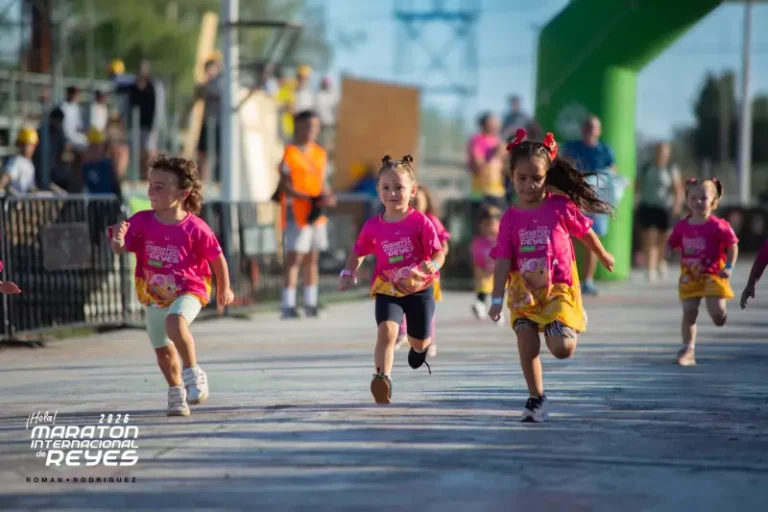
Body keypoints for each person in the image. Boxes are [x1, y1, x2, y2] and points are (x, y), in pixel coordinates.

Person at [488, 129, 615, 423]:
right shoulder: (509, 218)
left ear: (547, 176)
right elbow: (503, 259)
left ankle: (569, 322)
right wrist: (496, 298)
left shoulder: (559, 208)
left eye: (537, 178)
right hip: (524, 291)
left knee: (562, 349)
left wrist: (603, 254)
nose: (529, 185)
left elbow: (585, 232)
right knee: (527, 342)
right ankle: (536, 398)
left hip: (558, 288)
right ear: (511, 177)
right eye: (522, 178)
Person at [108, 155, 235, 416]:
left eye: (160, 187)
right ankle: (176, 393)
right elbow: (120, 249)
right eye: (150, 184)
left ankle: (193, 372)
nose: (151, 192)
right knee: (163, 350)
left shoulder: (196, 228)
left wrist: (225, 288)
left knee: (175, 323)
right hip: (154, 293)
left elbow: (217, 258)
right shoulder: (141, 221)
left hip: (190, 288)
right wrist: (118, 240)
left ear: (183, 192)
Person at [338, 155, 445, 405]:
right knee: (386, 331)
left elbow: (439, 251)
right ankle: (382, 378)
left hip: (419, 287)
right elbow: (360, 251)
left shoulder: (420, 221)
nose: (393, 193)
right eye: (386, 187)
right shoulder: (373, 226)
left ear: (412, 191)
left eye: (399, 187)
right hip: (388, 287)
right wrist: (348, 272)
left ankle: (419, 349)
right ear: (378, 190)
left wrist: (434, 263)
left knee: (419, 340)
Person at [665, 178, 738, 367]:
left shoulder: (718, 226)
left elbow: (732, 246)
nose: (698, 202)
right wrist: (667, 250)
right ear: (687, 199)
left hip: (714, 275)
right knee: (689, 312)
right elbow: (671, 242)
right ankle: (687, 349)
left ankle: (720, 316)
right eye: (693, 197)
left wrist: (729, 267)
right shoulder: (682, 226)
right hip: (690, 276)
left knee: (717, 313)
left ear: (714, 201)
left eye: (704, 198)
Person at [276, 110, 335, 319]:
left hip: (316, 213)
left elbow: (322, 181)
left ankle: (311, 302)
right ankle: (288, 304)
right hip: (297, 211)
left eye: (316, 127)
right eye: (308, 126)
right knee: (294, 259)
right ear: (298, 126)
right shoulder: (289, 152)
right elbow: (284, 185)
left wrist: (326, 195)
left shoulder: (320, 153)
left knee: (313, 257)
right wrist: (306, 197)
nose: (312, 131)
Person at [562, 116, 617, 295]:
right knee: (568, 237)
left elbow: (612, 170)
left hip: (595, 200)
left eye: (593, 127)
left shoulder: (605, 150)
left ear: (598, 131)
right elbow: (564, 165)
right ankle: (567, 278)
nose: (589, 129)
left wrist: (600, 179)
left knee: (590, 239)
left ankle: (587, 281)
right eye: (586, 126)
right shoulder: (572, 147)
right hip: (575, 198)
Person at [395, 185, 449, 353]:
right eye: (412, 201)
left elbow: (444, 246)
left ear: (427, 203)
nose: (415, 204)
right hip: (406, 272)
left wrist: (434, 263)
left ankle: (428, 340)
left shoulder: (431, 221)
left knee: (426, 309)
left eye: (419, 201)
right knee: (401, 302)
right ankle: (403, 331)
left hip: (427, 274)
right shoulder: (402, 220)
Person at [636, 142, 684, 282]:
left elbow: (677, 190)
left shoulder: (671, 169)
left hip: (665, 208)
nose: (661, 155)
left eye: (664, 152)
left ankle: (661, 261)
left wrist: (677, 205)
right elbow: (638, 185)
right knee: (650, 238)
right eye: (658, 152)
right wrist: (636, 199)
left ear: (668, 155)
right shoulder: (646, 168)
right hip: (648, 206)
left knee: (663, 239)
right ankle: (650, 270)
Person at [470, 204, 503, 324]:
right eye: (485, 225)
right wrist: (482, 270)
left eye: (491, 224)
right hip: (485, 272)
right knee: (483, 287)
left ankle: (496, 310)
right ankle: (480, 305)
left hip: (500, 272)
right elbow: (477, 259)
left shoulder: (502, 240)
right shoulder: (478, 242)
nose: (488, 228)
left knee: (497, 292)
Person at [467, 112, 506, 211]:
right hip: (480, 193)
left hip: (498, 192)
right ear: (484, 124)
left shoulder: (497, 140)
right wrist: (493, 154)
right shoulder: (477, 140)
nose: (496, 125)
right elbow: (477, 165)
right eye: (492, 122)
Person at [1, 126, 38, 194]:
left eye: (33, 146)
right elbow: (6, 178)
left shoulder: (29, 163)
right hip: (16, 202)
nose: (31, 149)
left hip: (25, 201)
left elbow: (30, 187)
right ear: (21, 145)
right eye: (28, 145)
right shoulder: (16, 161)